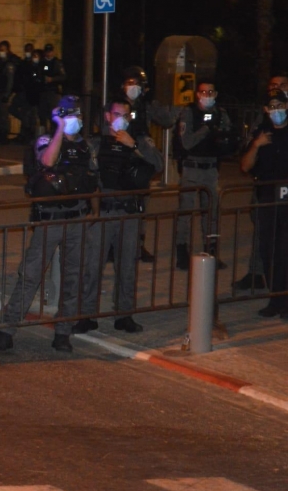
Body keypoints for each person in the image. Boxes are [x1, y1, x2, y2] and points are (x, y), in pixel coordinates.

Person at [0, 96, 98, 353]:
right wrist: (60, 129)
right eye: (70, 115)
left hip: (76, 220)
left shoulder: (86, 147)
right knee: (30, 276)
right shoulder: (45, 140)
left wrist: (94, 211)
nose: (77, 119)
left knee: (73, 278)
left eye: (78, 115)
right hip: (49, 221)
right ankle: (7, 330)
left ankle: (63, 332)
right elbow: (48, 161)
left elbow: (92, 179)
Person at [74, 99, 163, 334]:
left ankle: (124, 315)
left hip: (128, 213)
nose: (122, 118)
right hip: (101, 212)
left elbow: (158, 165)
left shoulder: (141, 141)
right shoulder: (95, 142)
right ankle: (87, 315)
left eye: (126, 114)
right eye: (117, 114)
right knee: (92, 266)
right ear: (107, 116)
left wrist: (133, 146)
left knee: (127, 267)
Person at [114, 66, 178, 263]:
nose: (133, 87)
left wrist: (152, 101)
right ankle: (113, 245)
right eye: (129, 83)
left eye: (137, 84)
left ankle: (138, 244)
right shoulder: (115, 105)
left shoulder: (146, 106)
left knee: (141, 203)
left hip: (139, 154)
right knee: (115, 203)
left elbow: (167, 120)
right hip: (119, 155)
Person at [234, 72, 288, 290]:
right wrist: (256, 145)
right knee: (268, 249)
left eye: (280, 106)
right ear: (266, 110)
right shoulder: (262, 131)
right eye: (272, 107)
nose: (276, 111)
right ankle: (275, 298)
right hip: (266, 197)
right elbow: (245, 166)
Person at [175, 80, 233, 270]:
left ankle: (212, 251)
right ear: (197, 94)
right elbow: (187, 142)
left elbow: (228, 137)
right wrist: (207, 129)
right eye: (203, 92)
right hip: (192, 167)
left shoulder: (220, 113)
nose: (207, 95)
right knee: (186, 212)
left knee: (212, 213)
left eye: (211, 91)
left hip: (210, 168)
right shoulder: (189, 112)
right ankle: (182, 252)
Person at [10, 43, 43, 144]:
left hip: (33, 95)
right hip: (25, 93)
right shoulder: (24, 64)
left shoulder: (38, 66)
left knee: (32, 115)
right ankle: (26, 132)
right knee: (23, 113)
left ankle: (29, 134)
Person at [0, 40, 19, 144]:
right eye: (0, 49)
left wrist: (7, 94)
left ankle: (4, 134)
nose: (1, 51)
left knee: (3, 115)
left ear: (7, 50)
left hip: (3, 93)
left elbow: (10, 81)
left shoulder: (8, 64)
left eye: (3, 49)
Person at [38, 43, 66, 133]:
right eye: (47, 51)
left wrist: (52, 79)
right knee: (42, 114)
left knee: (53, 114)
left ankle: (54, 133)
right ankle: (44, 135)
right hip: (43, 91)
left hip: (53, 92)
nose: (49, 53)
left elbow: (63, 76)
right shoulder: (42, 62)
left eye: (50, 51)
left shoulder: (57, 62)